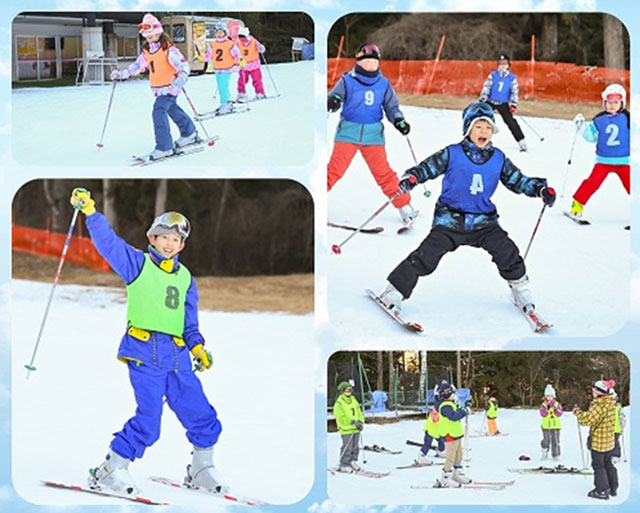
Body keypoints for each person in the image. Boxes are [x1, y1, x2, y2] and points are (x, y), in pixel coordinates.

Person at [69, 187, 224, 496]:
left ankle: (201, 467)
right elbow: (109, 244)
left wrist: (197, 346)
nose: (169, 243)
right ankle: (111, 468)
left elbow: (189, 321)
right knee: (149, 420)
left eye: (176, 239)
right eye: (164, 236)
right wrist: (91, 214)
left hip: (178, 356)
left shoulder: (185, 278)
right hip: (144, 352)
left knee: (201, 412)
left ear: (182, 245)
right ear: (152, 238)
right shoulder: (137, 264)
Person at [378, 102, 556, 318]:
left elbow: (517, 181)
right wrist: (412, 178)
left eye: (488, 128)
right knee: (426, 257)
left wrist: (540, 189)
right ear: (468, 129)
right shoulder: (452, 153)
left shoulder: (498, 158)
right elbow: (428, 167)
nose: (484, 132)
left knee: (507, 252)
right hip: (450, 220)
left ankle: (520, 289)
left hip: (484, 222)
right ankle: (394, 292)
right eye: (479, 127)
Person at [327, 43, 417, 227]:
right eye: (366, 62)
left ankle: (405, 207)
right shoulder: (347, 80)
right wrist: (334, 101)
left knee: (383, 173)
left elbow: (391, 107)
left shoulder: (384, 84)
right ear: (358, 62)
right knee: (334, 170)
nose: (370, 65)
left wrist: (399, 121)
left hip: (373, 135)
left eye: (373, 62)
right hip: (348, 133)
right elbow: (335, 96)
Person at [110, 13, 197, 160]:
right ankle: (189, 133)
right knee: (172, 109)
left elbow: (183, 65)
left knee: (158, 110)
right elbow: (138, 66)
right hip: (158, 87)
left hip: (171, 86)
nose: (148, 37)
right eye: (146, 35)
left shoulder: (168, 49)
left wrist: (182, 76)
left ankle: (165, 147)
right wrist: (123, 74)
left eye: (151, 34)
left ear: (158, 32)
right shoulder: (148, 51)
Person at [568, 84, 630, 224]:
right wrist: (582, 128)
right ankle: (577, 205)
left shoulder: (629, 119)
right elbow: (591, 137)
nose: (612, 105)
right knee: (592, 183)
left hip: (624, 161)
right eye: (609, 102)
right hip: (604, 160)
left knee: (632, 185)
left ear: (622, 103)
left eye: (616, 102)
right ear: (604, 102)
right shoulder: (599, 120)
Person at [573, 379, 618, 500]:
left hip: (599, 443)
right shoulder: (611, 404)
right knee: (608, 464)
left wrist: (578, 413)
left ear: (599, 392)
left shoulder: (599, 405)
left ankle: (602, 490)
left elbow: (586, 420)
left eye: (594, 391)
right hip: (609, 442)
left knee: (598, 466)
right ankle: (613, 487)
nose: (593, 393)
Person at [479, 53, 527, 151]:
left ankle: (522, 142)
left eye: (505, 64)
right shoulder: (493, 75)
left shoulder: (511, 78)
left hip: (503, 103)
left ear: (509, 65)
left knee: (511, 122)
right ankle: (478, 140)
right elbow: (487, 86)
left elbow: (514, 91)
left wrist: (514, 104)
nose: (502, 66)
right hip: (490, 101)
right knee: (483, 119)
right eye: (500, 64)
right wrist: (483, 99)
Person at [434, 381, 471, 487]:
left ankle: (456, 474)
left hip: (456, 434)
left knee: (459, 455)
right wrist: (464, 411)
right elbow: (454, 416)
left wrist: (464, 407)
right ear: (447, 395)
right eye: (452, 394)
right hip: (450, 435)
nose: (454, 395)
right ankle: (444, 478)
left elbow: (458, 410)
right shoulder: (445, 407)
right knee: (450, 457)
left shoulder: (451, 404)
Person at [204, 23, 241, 115]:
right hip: (217, 68)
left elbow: (237, 54)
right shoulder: (213, 44)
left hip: (226, 68)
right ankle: (224, 103)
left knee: (223, 86)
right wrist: (202, 57)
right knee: (220, 87)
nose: (219, 34)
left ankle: (226, 103)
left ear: (225, 33)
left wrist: (238, 60)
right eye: (217, 33)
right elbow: (209, 55)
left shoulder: (229, 44)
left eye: (221, 32)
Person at [333, 381, 365, 473]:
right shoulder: (339, 403)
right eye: (346, 391)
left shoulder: (353, 400)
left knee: (355, 447)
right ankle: (344, 464)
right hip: (346, 429)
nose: (349, 393)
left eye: (350, 391)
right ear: (342, 391)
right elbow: (340, 417)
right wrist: (351, 422)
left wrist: (360, 421)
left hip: (356, 428)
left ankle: (352, 461)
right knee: (348, 447)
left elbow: (359, 412)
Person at [416, 386, 445, 465]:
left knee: (442, 440)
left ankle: (441, 451)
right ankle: (421, 457)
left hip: (438, 429)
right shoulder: (440, 404)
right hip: (431, 428)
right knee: (427, 443)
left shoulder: (442, 402)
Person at [236, 27, 266, 102]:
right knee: (242, 80)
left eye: (243, 37)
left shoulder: (253, 41)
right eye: (240, 37)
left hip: (254, 63)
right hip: (243, 63)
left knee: (257, 79)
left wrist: (261, 48)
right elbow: (235, 50)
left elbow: (260, 47)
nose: (241, 39)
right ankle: (241, 93)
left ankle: (260, 93)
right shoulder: (238, 43)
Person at [539, 384, 563, 460]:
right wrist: (547, 409)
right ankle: (544, 450)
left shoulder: (557, 404)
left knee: (555, 441)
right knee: (546, 440)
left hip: (555, 426)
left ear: (553, 397)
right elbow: (543, 414)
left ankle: (556, 455)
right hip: (546, 426)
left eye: (551, 396)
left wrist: (555, 409)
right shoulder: (543, 405)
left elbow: (560, 413)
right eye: (547, 396)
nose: (549, 398)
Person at [610, 388, 626, 463]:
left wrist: (622, 421)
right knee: (609, 442)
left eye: (614, 399)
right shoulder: (607, 408)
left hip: (617, 428)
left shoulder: (618, 407)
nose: (612, 401)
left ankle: (616, 455)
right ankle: (609, 454)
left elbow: (622, 415)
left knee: (615, 442)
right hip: (608, 428)